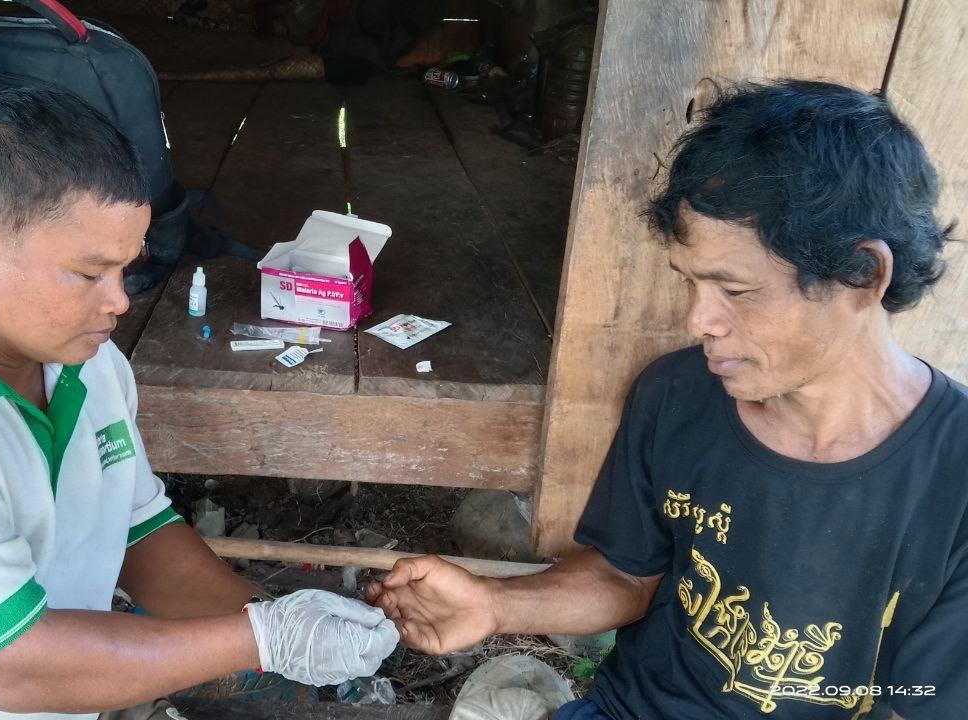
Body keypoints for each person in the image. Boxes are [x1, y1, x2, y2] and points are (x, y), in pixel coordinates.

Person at [0, 87, 398, 720]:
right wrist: (265, 640)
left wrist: (289, 622)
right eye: (90, 273)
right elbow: (10, 668)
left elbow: (137, 534)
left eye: (127, 268)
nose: (120, 301)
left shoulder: (91, 368)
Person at [368, 80, 964, 720]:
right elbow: (626, 577)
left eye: (735, 291)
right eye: (690, 284)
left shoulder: (951, 479)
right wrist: (494, 604)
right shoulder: (679, 393)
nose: (698, 321)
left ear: (862, 274)